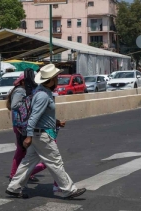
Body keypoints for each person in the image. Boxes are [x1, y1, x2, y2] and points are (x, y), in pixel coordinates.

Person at [5, 64, 86, 199]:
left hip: (38, 134)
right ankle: (69, 190)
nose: (58, 80)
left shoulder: (41, 92)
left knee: (28, 162)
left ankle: (14, 188)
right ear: (51, 80)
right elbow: (34, 117)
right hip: (42, 135)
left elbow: (42, 116)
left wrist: (56, 122)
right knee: (55, 162)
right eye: (56, 77)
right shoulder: (43, 95)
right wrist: (29, 135)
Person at [7, 73, 46, 182]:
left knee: (26, 151)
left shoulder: (24, 90)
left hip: (22, 124)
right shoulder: (20, 91)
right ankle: (14, 174)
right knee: (21, 150)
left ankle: (25, 173)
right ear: (23, 81)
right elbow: (14, 105)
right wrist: (28, 101)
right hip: (20, 124)